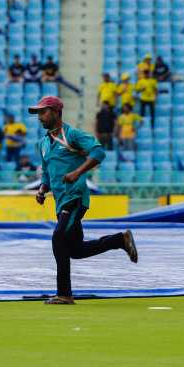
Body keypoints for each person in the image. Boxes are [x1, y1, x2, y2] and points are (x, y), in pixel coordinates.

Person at [30, 95, 138, 305]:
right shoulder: (42, 143)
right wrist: (42, 190)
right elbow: (46, 173)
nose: (40, 117)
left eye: (43, 112)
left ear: (56, 112)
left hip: (75, 198)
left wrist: (78, 172)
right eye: (38, 113)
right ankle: (120, 239)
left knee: (58, 238)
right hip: (61, 201)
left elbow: (98, 152)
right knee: (76, 251)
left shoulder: (72, 135)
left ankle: (64, 294)